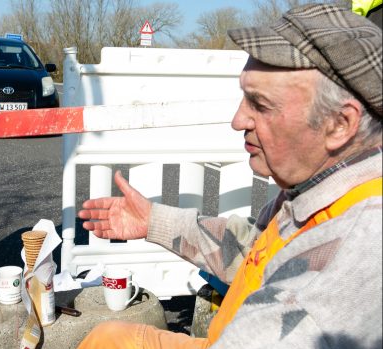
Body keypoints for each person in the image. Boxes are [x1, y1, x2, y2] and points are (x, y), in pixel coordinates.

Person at [77, 4, 381, 349]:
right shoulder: (322, 186)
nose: (238, 120)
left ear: (339, 124)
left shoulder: (315, 301)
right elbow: (253, 252)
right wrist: (153, 220)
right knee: (110, 338)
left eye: (260, 104)